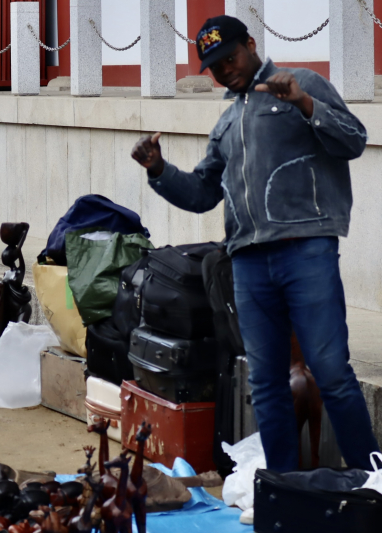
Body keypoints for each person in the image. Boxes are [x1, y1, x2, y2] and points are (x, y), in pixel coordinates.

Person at [131, 15, 379, 473]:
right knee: (265, 384)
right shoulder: (226, 124)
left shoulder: (302, 83)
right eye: (215, 66)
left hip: (307, 250)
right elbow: (204, 194)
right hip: (246, 262)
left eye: (231, 58)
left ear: (251, 43)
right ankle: (283, 488)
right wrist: (159, 170)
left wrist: (304, 103)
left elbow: (354, 140)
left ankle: (373, 477)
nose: (226, 70)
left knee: (332, 372)